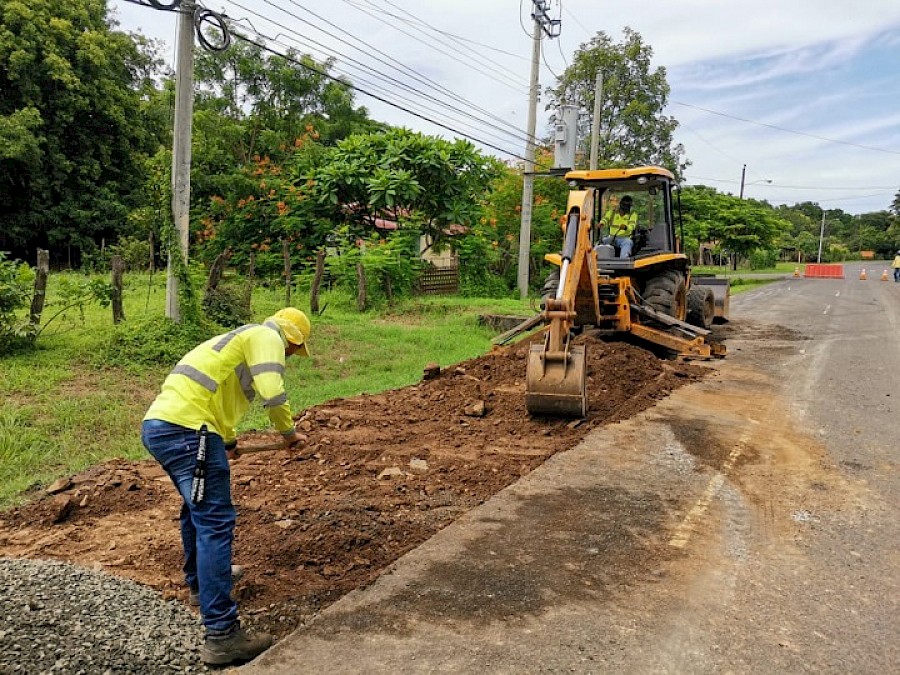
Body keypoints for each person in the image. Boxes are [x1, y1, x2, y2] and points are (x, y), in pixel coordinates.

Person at [141, 307, 311, 666]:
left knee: (196, 509)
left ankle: (200, 587)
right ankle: (221, 634)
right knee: (215, 522)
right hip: (190, 431)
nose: (291, 357)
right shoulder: (266, 337)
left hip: (163, 426)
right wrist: (289, 434)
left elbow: (219, 399)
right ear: (291, 340)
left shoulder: (237, 341)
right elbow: (272, 391)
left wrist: (229, 442)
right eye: (295, 352)